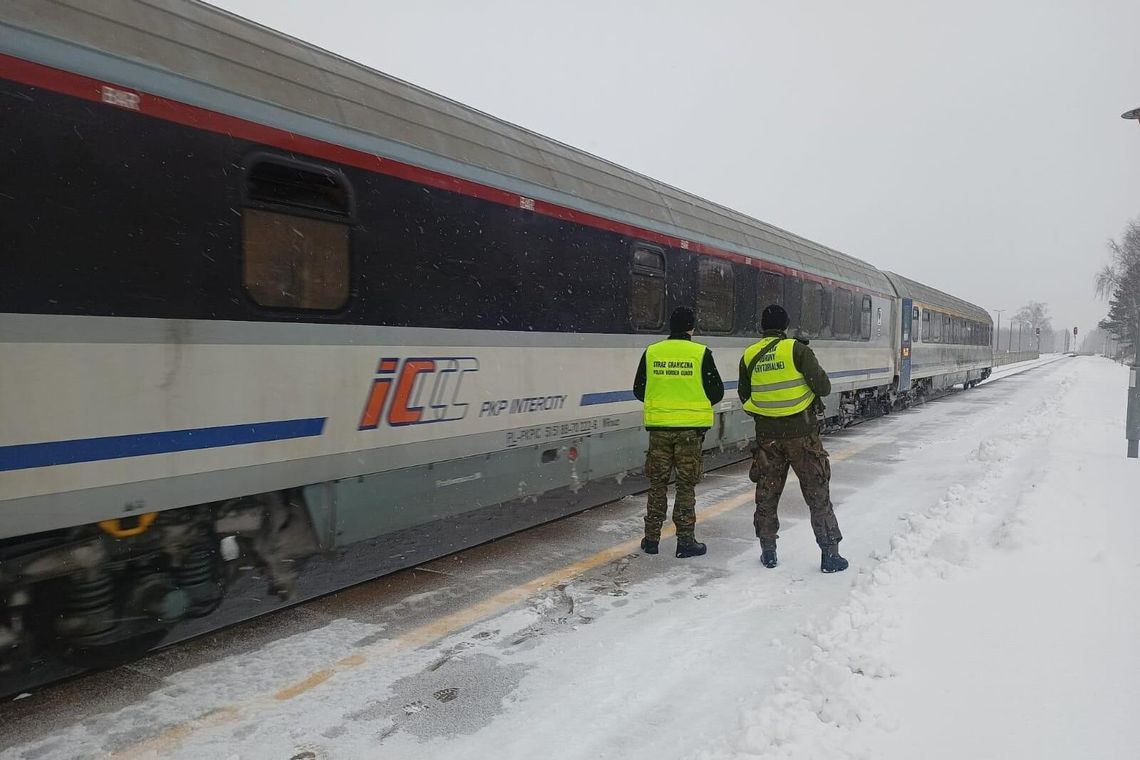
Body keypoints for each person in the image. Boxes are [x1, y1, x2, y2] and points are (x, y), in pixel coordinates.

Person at [739, 304, 848, 573]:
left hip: (768, 438)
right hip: (802, 437)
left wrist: (769, 412)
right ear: (785, 325)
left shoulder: (749, 355)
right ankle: (829, 554)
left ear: (762, 327)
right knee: (817, 493)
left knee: (767, 493)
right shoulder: (797, 350)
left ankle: (768, 553)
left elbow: (745, 395)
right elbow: (823, 386)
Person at [632, 306, 724, 558]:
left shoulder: (652, 352)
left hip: (659, 430)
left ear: (670, 327)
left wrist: (663, 402)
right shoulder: (700, 353)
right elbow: (716, 391)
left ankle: (651, 540)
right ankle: (685, 542)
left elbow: (639, 389)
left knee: (657, 484)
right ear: (691, 328)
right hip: (689, 432)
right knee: (685, 485)